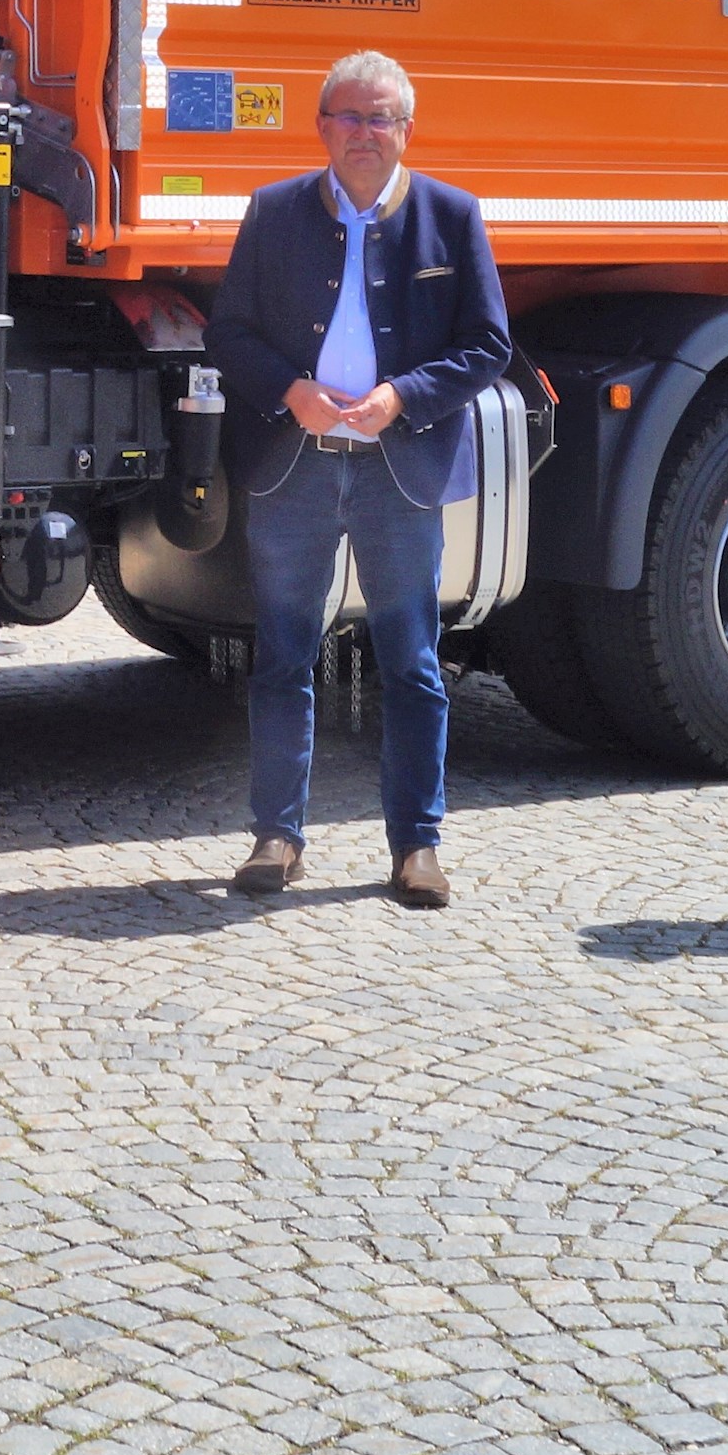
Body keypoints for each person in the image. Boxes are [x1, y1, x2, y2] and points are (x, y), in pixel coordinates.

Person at [205, 49, 511, 909]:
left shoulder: (451, 216)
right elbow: (229, 332)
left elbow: (489, 345)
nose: (364, 132)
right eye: (348, 115)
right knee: (282, 658)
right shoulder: (273, 212)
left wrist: (401, 397)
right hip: (294, 467)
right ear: (322, 126)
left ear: (407, 129)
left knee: (411, 661)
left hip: (399, 472)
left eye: (382, 118)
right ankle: (278, 835)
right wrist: (291, 390)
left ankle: (417, 844)